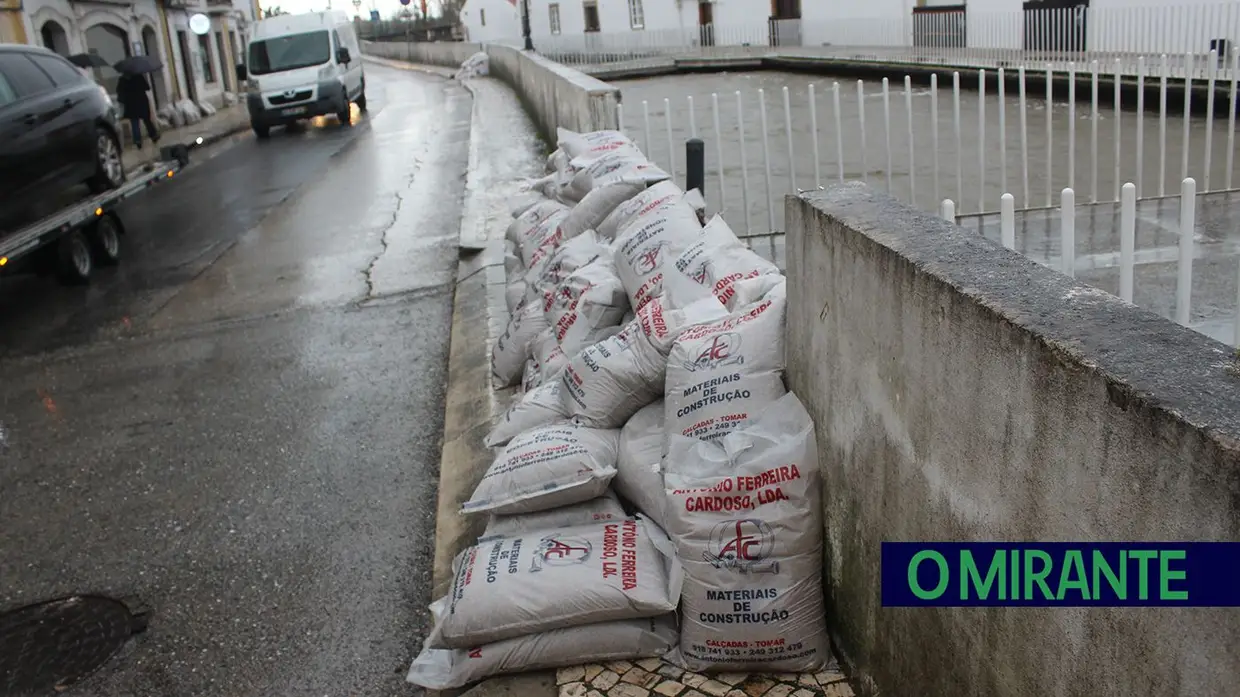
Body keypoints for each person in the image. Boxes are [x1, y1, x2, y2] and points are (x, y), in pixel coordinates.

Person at [115, 72, 160, 148]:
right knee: (147, 120)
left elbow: (119, 91)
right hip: (141, 101)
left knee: (134, 122)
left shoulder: (122, 79)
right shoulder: (138, 76)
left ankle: (138, 140)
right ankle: (153, 135)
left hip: (130, 104)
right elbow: (147, 87)